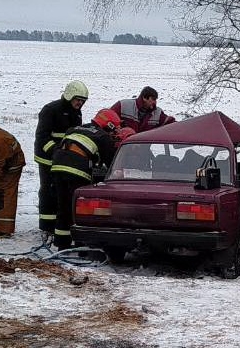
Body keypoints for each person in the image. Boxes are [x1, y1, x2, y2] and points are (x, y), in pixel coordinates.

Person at [50, 109, 120, 250]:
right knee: (79, 209)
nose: (114, 134)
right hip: (77, 171)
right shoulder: (103, 136)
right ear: (110, 125)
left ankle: (61, 244)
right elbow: (112, 163)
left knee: (63, 206)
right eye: (114, 129)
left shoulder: (74, 128)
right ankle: (80, 244)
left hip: (57, 167)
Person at [35, 80, 88, 236]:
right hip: (47, 158)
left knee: (61, 192)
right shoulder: (51, 110)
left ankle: (58, 223)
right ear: (69, 95)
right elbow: (42, 136)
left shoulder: (76, 112)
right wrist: (55, 151)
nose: (80, 103)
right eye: (78, 100)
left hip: (64, 160)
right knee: (48, 190)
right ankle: (46, 225)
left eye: (82, 101)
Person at [110, 86, 175, 133]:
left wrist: (182, 126)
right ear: (144, 98)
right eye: (153, 99)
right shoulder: (123, 105)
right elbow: (107, 118)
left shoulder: (158, 113)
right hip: (122, 147)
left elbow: (169, 123)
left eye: (156, 100)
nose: (155, 102)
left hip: (143, 148)